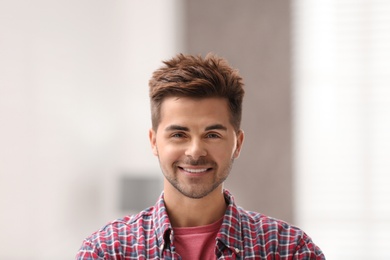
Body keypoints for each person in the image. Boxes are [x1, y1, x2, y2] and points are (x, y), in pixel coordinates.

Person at [76, 53, 325, 259]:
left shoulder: (290, 250)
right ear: (154, 142)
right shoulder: (106, 252)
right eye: (179, 135)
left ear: (237, 143)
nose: (195, 151)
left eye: (212, 135)